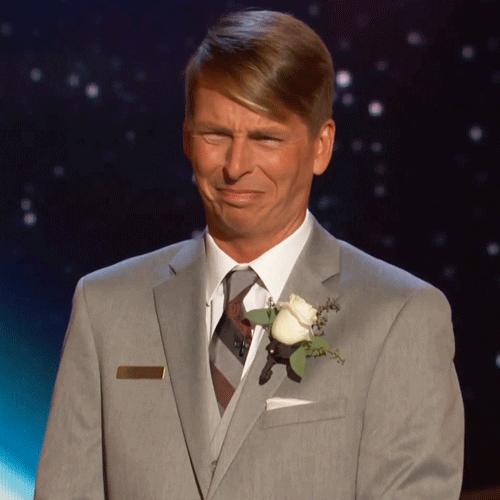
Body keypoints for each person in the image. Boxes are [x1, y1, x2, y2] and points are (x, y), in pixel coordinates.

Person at [35, 10, 464, 500]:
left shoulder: (400, 317)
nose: (236, 166)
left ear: (321, 146)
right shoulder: (105, 307)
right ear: (186, 139)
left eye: (266, 138)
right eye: (216, 135)